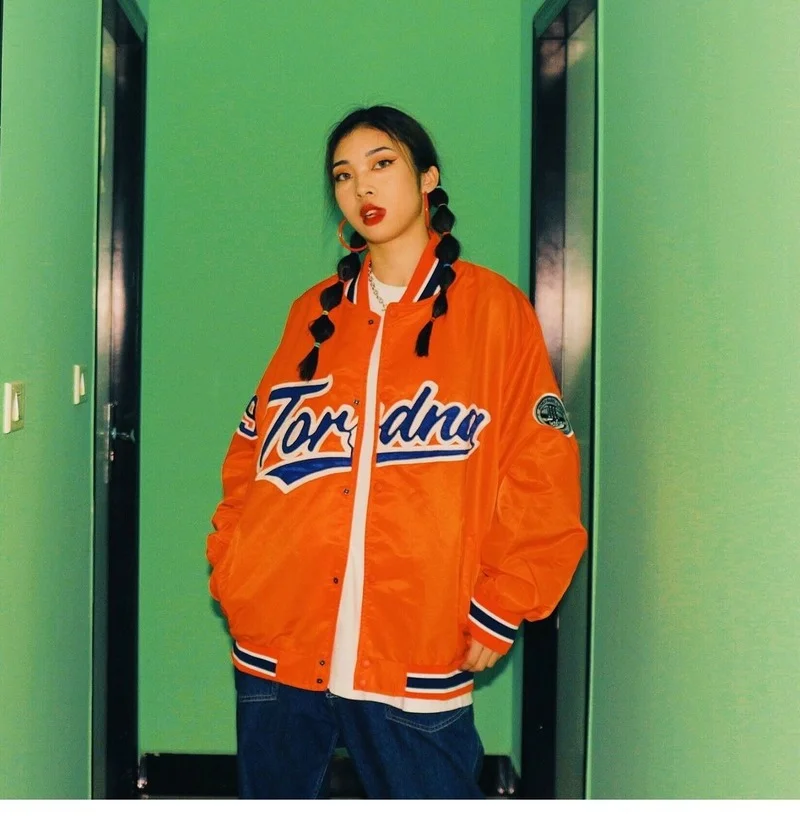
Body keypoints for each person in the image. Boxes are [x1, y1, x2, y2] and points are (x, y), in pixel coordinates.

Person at [206, 105, 587, 799]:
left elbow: (541, 469)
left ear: (427, 178)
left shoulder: (494, 311)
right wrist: (234, 566)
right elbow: (251, 454)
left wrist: (504, 599)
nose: (362, 187)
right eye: (343, 175)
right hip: (280, 638)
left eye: (381, 164)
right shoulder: (313, 312)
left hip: (416, 644)